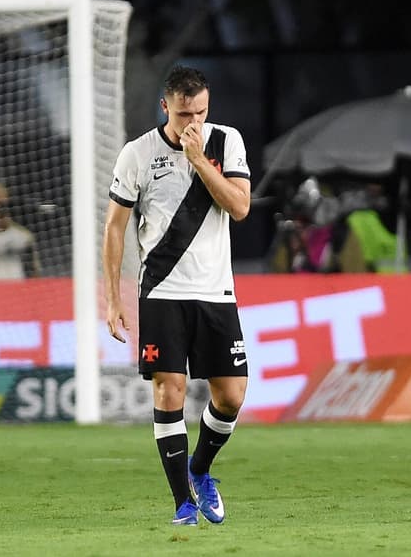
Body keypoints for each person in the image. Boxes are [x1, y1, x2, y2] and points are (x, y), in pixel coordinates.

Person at [102, 65, 251, 526]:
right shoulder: (137, 154)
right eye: (185, 113)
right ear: (165, 106)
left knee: (231, 396)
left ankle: (200, 470)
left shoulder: (226, 143)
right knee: (170, 388)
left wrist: (200, 160)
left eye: (201, 112)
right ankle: (182, 503)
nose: (194, 123)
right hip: (162, 290)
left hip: (216, 290)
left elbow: (241, 208)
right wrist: (113, 298)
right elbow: (115, 227)